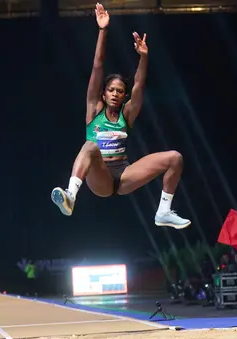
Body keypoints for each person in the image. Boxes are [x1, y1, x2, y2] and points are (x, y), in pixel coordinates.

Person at [50, 3, 190, 230]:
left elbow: (139, 85)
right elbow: (98, 66)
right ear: (103, 94)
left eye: (120, 91)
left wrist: (143, 57)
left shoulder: (127, 114)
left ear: (124, 96)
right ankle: (71, 195)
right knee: (90, 146)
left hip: (124, 176)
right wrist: (103, 30)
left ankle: (164, 212)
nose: (115, 94)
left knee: (175, 158)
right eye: (111, 90)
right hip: (101, 180)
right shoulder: (94, 110)